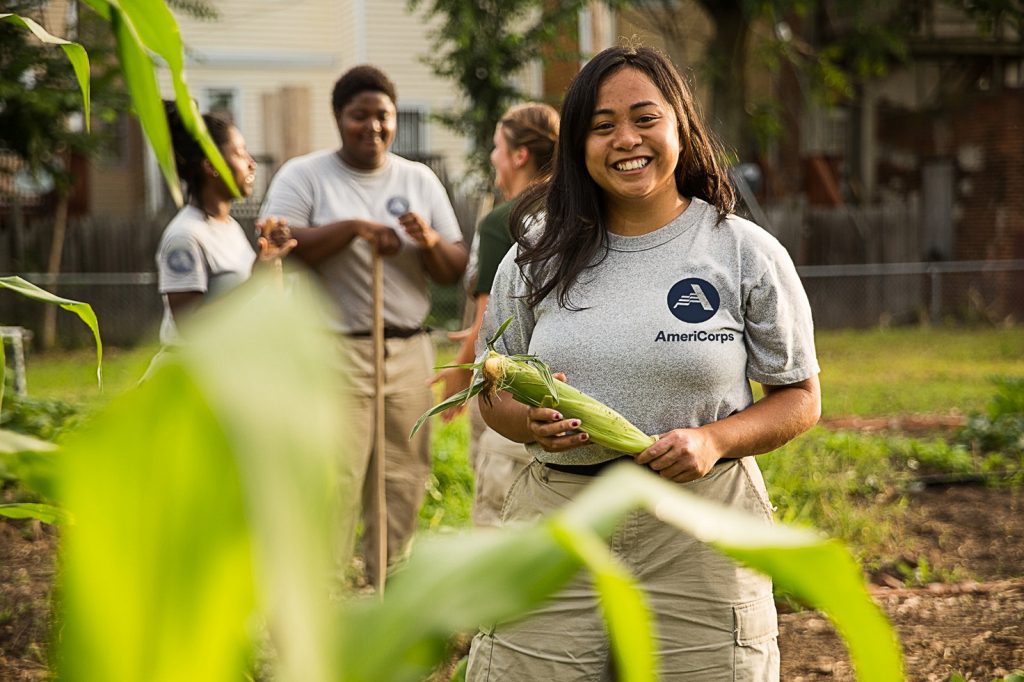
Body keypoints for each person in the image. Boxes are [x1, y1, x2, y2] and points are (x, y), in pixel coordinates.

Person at [466, 45, 821, 681]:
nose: (625, 139)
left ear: (680, 126)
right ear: (577, 145)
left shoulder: (742, 252)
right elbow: (489, 388)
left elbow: (799, 397)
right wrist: (528, 423)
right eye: (602, 126)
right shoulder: (534, 257)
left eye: (644, 118)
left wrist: (713, 439)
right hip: (558, 518)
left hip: (700, 523)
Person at [258, 65, 468, 585]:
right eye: (359, 116)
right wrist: (353, 228)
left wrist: (428, 240)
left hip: (407, 351)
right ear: (338, 117)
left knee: (403, 474)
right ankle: (320, 597)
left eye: (383, 116)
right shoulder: (304, 175)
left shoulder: (417, 179)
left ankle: (386, 588)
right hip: (335, 350)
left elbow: (454, 266)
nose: (372, 127)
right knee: (337, 473)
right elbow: (279, 241)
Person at [431, 102, 560, 526]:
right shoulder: (571, 209)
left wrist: (459, 370)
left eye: (496, 147)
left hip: (508, 390)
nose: (492, 157)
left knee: (498, 512)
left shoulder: (503, 220)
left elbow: (492, 317)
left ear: (519, 155)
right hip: (559, 388)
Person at [151, 102, 294, 360]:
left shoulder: (231, 228)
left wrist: (271, 259)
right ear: (211, 166)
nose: (252, 164)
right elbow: (190, 328)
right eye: (240, 153)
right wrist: (254, 280)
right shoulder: (185, 236)